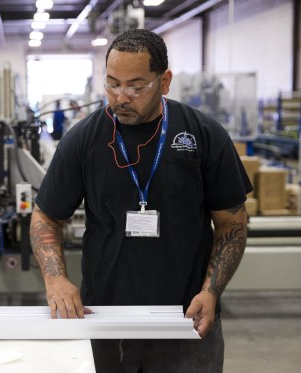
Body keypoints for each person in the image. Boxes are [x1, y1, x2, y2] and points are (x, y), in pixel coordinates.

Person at [29, 29, 252, 372]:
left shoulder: (203, 135)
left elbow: (231, 224)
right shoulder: (84, 139)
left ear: (164, 82)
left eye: (136, 86)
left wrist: (211, 291)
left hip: (186, 319)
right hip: (106, 318)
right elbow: (46, 216)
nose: (121, 97)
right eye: (112, 84)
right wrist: (55, 278)